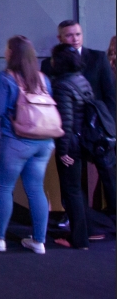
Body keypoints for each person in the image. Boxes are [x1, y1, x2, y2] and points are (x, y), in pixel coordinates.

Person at [0, 36, 56, 254]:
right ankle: (39, 241)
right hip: (44, 142)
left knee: (4, 188)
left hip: (16, 141)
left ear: (12, 53)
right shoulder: (43, 78)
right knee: (36, 189)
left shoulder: (6, 78)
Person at [49, 44, 96, 249]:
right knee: (78, 189)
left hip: (71, 145)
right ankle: (85, 232)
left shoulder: (61, 85)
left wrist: (63, 150)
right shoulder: (82, 80)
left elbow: (66, 122)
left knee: (71, 191)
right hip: (83, 141)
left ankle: (79, 239)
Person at [41, 20, 116, 134]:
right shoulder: (48, 64)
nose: (75, 39)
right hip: (65, 125)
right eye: (69, 35)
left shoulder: (98, 58)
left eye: (78, 34)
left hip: (96, 124)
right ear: (59, 38)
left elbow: (110, 94)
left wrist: (110, 126)